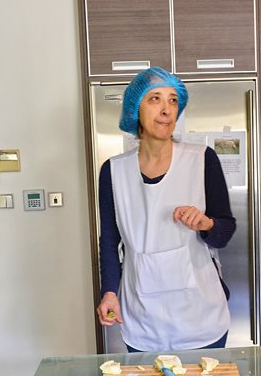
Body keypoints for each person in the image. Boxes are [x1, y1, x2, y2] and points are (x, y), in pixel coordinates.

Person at [95, 67, 236, 352]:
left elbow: (224, 231)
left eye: (173, 101)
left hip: (201, 316)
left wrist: (207, 224)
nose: (166, 110)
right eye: (155, 99)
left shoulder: (201, 159)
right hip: (143, 318)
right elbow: (110, 242)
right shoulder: (113, 172)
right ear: (135, 109)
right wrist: (109, 291)